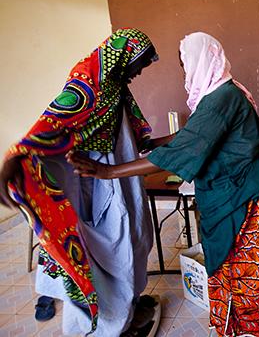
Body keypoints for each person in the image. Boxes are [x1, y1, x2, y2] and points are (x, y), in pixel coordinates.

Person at [68, 32, 259, 337]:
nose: (184, 71)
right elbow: (193, 134)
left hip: (248, 190)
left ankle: (251, 324)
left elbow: (185, 149)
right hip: (252, 179)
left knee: (247, 262)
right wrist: (154, 142)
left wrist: (107, 171)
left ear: (201, 60)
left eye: (185, 63)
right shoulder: (224, 88)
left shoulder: (220, 100)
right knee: (247, 260)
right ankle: (247, 316)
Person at [0, 28, 160, 336]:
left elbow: (130, 133)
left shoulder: (114, 86)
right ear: (125, 56)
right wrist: (15, 159)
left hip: (118, 181)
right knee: (105, 251)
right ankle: (104, 327)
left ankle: (127, 308)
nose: (140, 72)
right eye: (140, 64)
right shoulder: (87, 84)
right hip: (92, 184)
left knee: (133, 242)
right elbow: (50, 122)